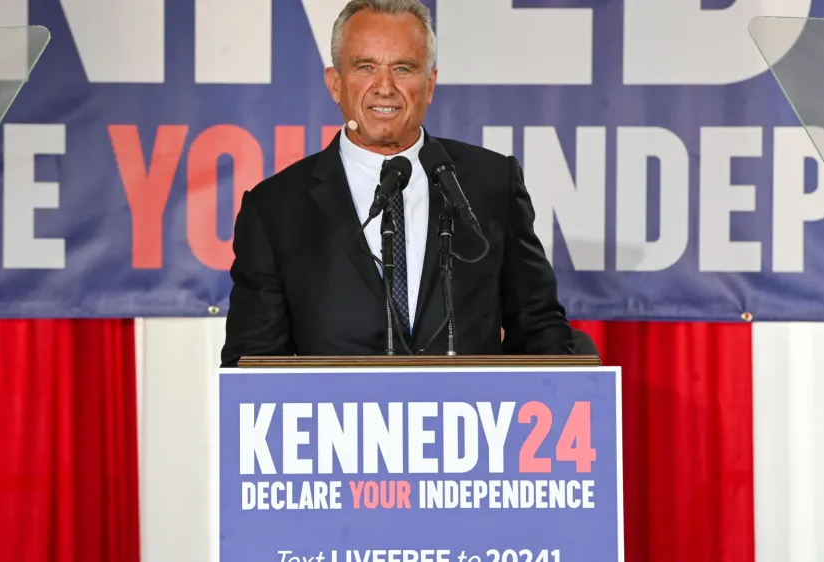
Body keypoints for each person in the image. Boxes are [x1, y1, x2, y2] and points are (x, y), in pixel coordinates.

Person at [220, 0, 575, 367]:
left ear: (430, 83)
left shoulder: (492, 185)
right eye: (365, 67)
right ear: (335, 84)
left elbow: (539, 327)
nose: (384, 86)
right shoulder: (276, 208)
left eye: (403, 68)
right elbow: (252, 365)